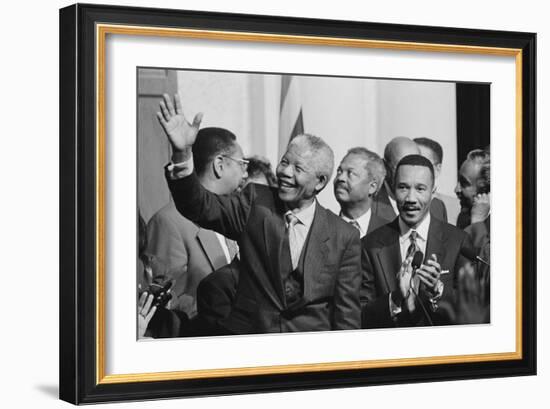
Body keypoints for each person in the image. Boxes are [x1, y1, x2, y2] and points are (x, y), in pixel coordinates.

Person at [157, 93, 361, 334]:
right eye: (284, 161)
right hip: (253, 347)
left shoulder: (343, 235)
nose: (285, 172)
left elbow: (347, 315)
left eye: (298, 168)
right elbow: (200, 206)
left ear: (320, 182)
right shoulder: (255, 202)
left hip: (309, 356)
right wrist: (182, 155)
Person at [146, 127, 248, 319]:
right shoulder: (169, 223)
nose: (245, 174)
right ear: (219, 165)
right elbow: (166, 303)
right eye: (242, 164)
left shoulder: (236, 216)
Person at [360, 154, 473, 328]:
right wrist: (395, 298)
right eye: (403, 188)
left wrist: (438, 292)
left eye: (420, 189)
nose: (411, 199)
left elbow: (470, 310)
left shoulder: (457, 242)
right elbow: (361, 313)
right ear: (392, 189)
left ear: (433, 191)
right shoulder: (370, 246)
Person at [372, 137, 448, 224]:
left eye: (415, 165)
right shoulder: (370, 206)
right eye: (401, 167)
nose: (409, 173)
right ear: (385, 166)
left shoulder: (436, 208)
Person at [333, 147, 388, 238]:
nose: (340, 178)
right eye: (339, 171)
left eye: (350, 173)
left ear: (372, 187)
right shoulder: (323, 229)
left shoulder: (390, 233)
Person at [414, 137, 461, 225]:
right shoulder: (394, 202)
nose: (413, 167)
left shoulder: (455, 208)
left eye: (422, 163)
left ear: (437, 169)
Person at [455, 149, 490, 229]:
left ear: (485, 190)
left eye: (464, 183)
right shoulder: (464, 218)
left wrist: (477, 222)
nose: (457, 190)